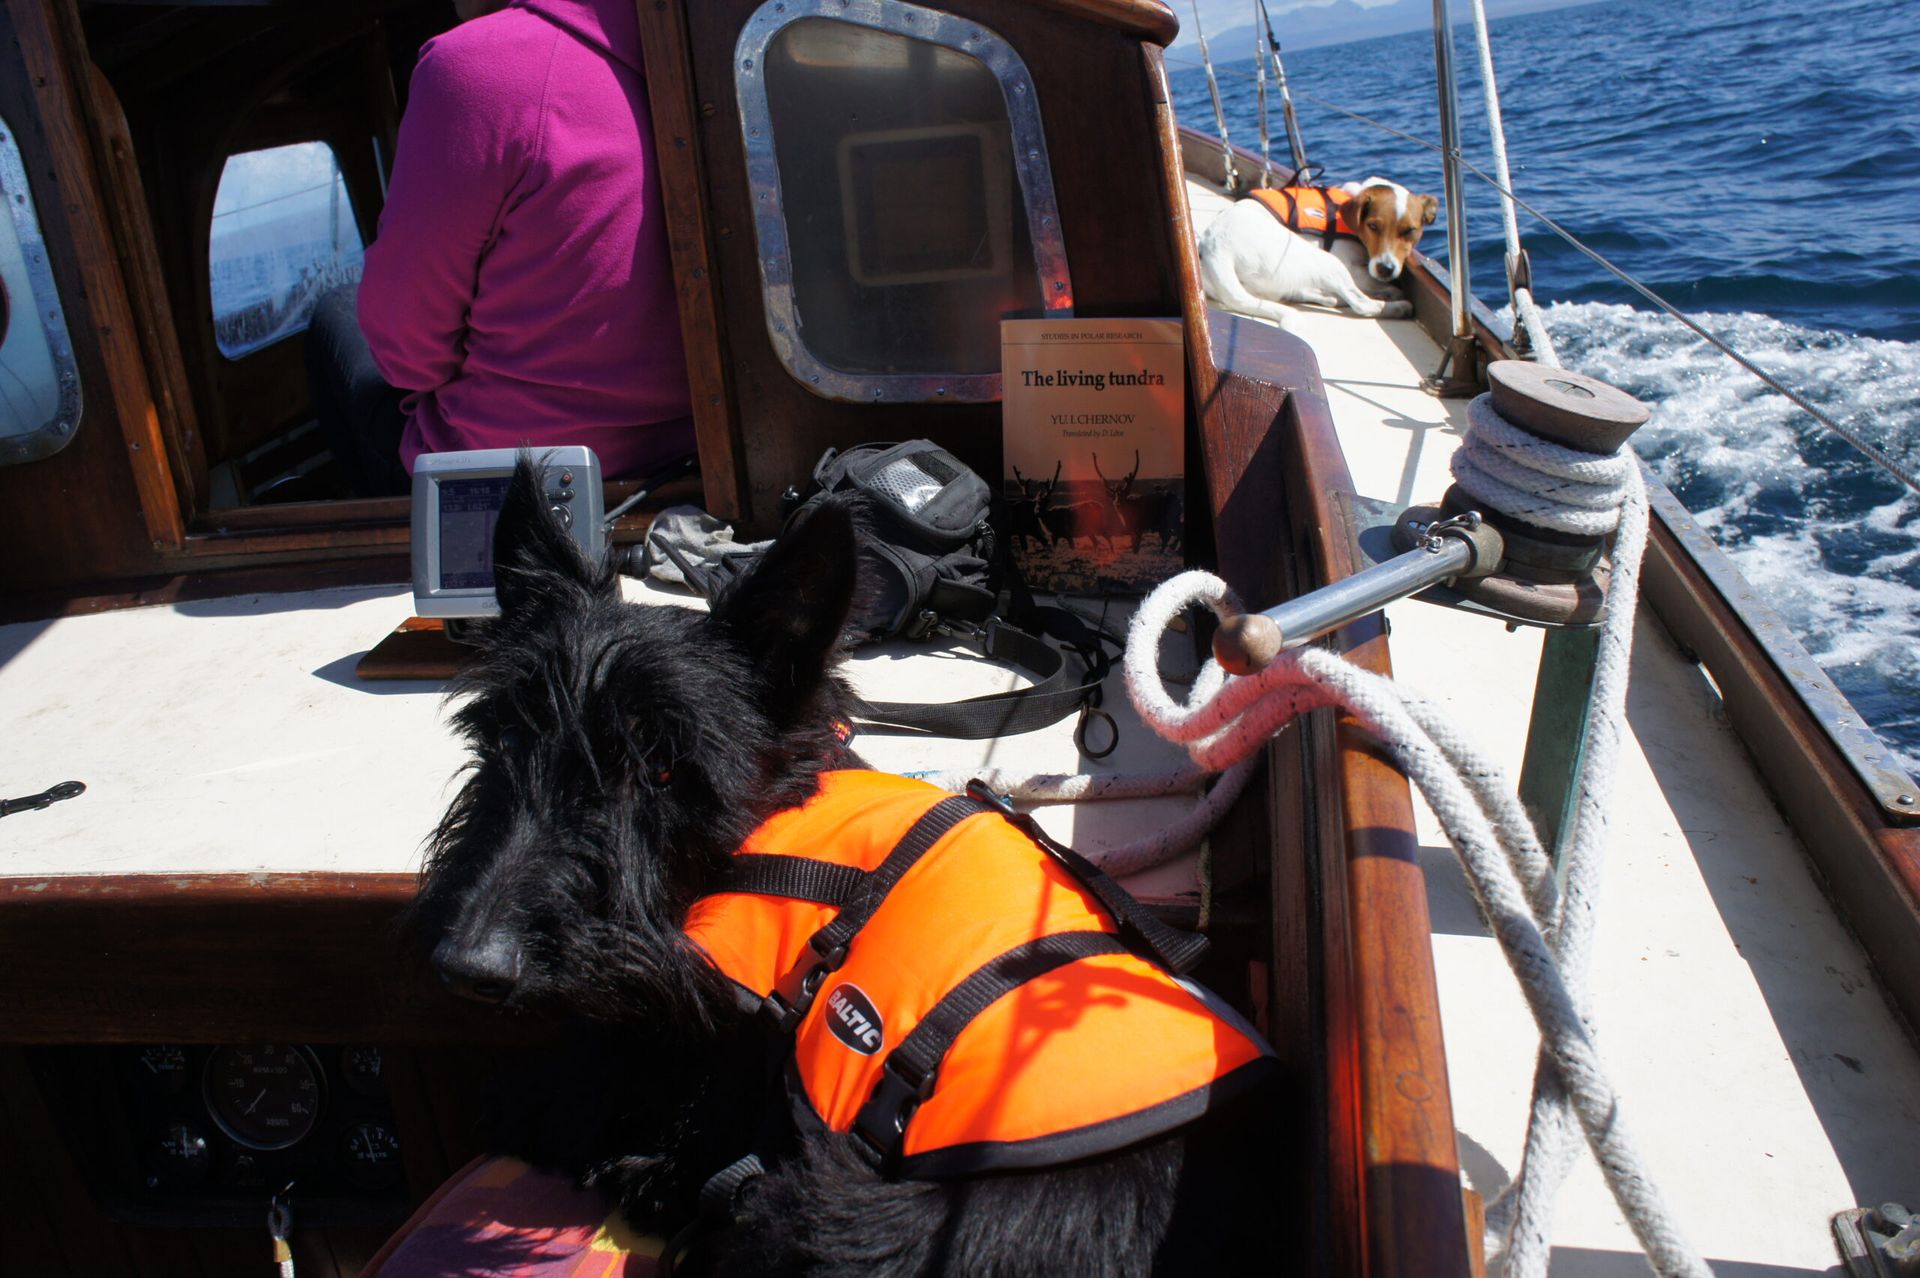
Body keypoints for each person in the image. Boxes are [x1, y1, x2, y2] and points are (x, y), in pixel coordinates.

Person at [307, 0, 693, 497]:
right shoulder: (718, 45)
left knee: (331, 315)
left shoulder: (472, 67)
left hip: (511, 486)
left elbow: (407, 359)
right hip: (686, 464)